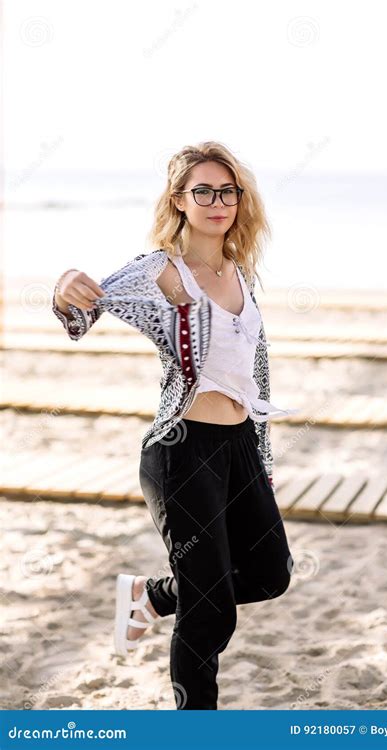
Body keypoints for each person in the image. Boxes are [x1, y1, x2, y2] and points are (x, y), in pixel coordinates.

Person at [52, 141, 298, 710]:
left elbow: (254, 374)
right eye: (203, 191)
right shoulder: (162, 271)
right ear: (179, 201)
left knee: (271, 573)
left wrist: (259, 457)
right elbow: (83, 310)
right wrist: (66, 284)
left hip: (239, 445)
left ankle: (151, 596)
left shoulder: (239, 271)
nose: (218, 202)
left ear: (240, 199)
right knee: (211, 612)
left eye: (227, 191)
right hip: (182, 451)